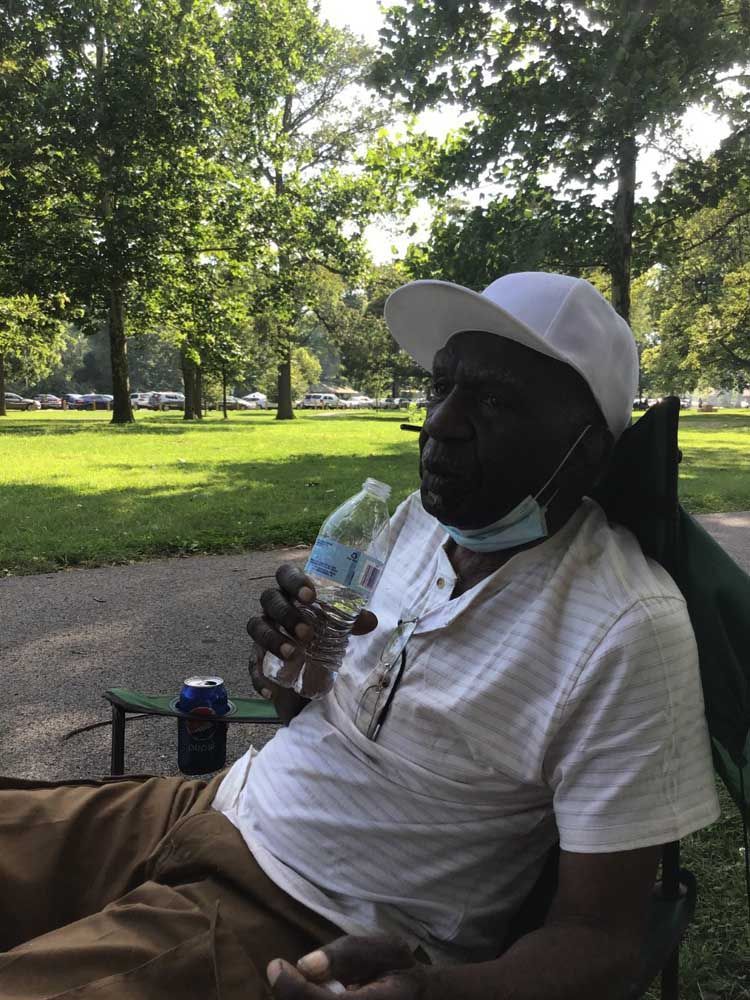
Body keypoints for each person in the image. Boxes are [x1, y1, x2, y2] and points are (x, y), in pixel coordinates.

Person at [0, 273, 718, 1000]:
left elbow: (604, 940)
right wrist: (285, 663)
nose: (440, 423)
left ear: (588, 449)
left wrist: (428, 993)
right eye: (442, 388)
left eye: (495, 400)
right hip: (209, 806)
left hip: (304, 914)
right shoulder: (414, 522)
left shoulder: (627, 629)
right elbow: (304, 710)